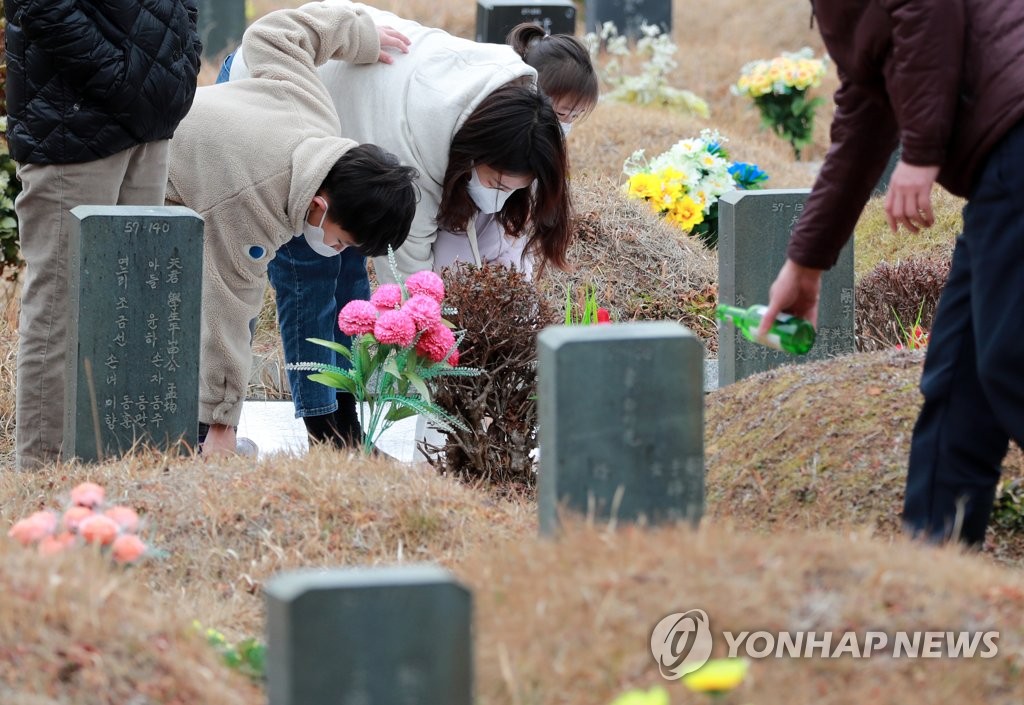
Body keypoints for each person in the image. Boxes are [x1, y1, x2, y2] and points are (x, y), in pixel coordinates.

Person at [228, 7, 579, 449]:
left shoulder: (523, 110)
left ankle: (345, 423)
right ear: (472, 154)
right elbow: (406, 266)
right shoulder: (422, 139)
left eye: (513, 189)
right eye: (493, 183)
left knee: (350, 279)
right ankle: (328, 434)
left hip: (355, 123)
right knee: (311, 277)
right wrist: (440, 348)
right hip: (275, 93)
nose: (498, 196)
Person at [759, 0, 1024, 546]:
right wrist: (805, 265)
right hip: (1000, 170)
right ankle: (931, 561)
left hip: (1015, 138)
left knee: (1009, 359)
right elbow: (865, 110)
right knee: (959, 375)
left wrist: (922, 150)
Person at [164, 2, 418, 456]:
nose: (336, 249)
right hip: (151, 181)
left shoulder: (316, 114)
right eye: (341, 240)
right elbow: (228, 311)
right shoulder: (252, 206)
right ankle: (196, 437)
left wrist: (360, 36)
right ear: (319, 207)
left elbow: (275, 34)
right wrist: (222, 423)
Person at [5, 0, 202, 470]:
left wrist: (178, 66)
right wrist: (122, 79)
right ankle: (43, 476)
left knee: (136, 301)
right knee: (62, 305)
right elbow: (41, 7)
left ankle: (118, 464)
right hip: (75, 121)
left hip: (148, 119)